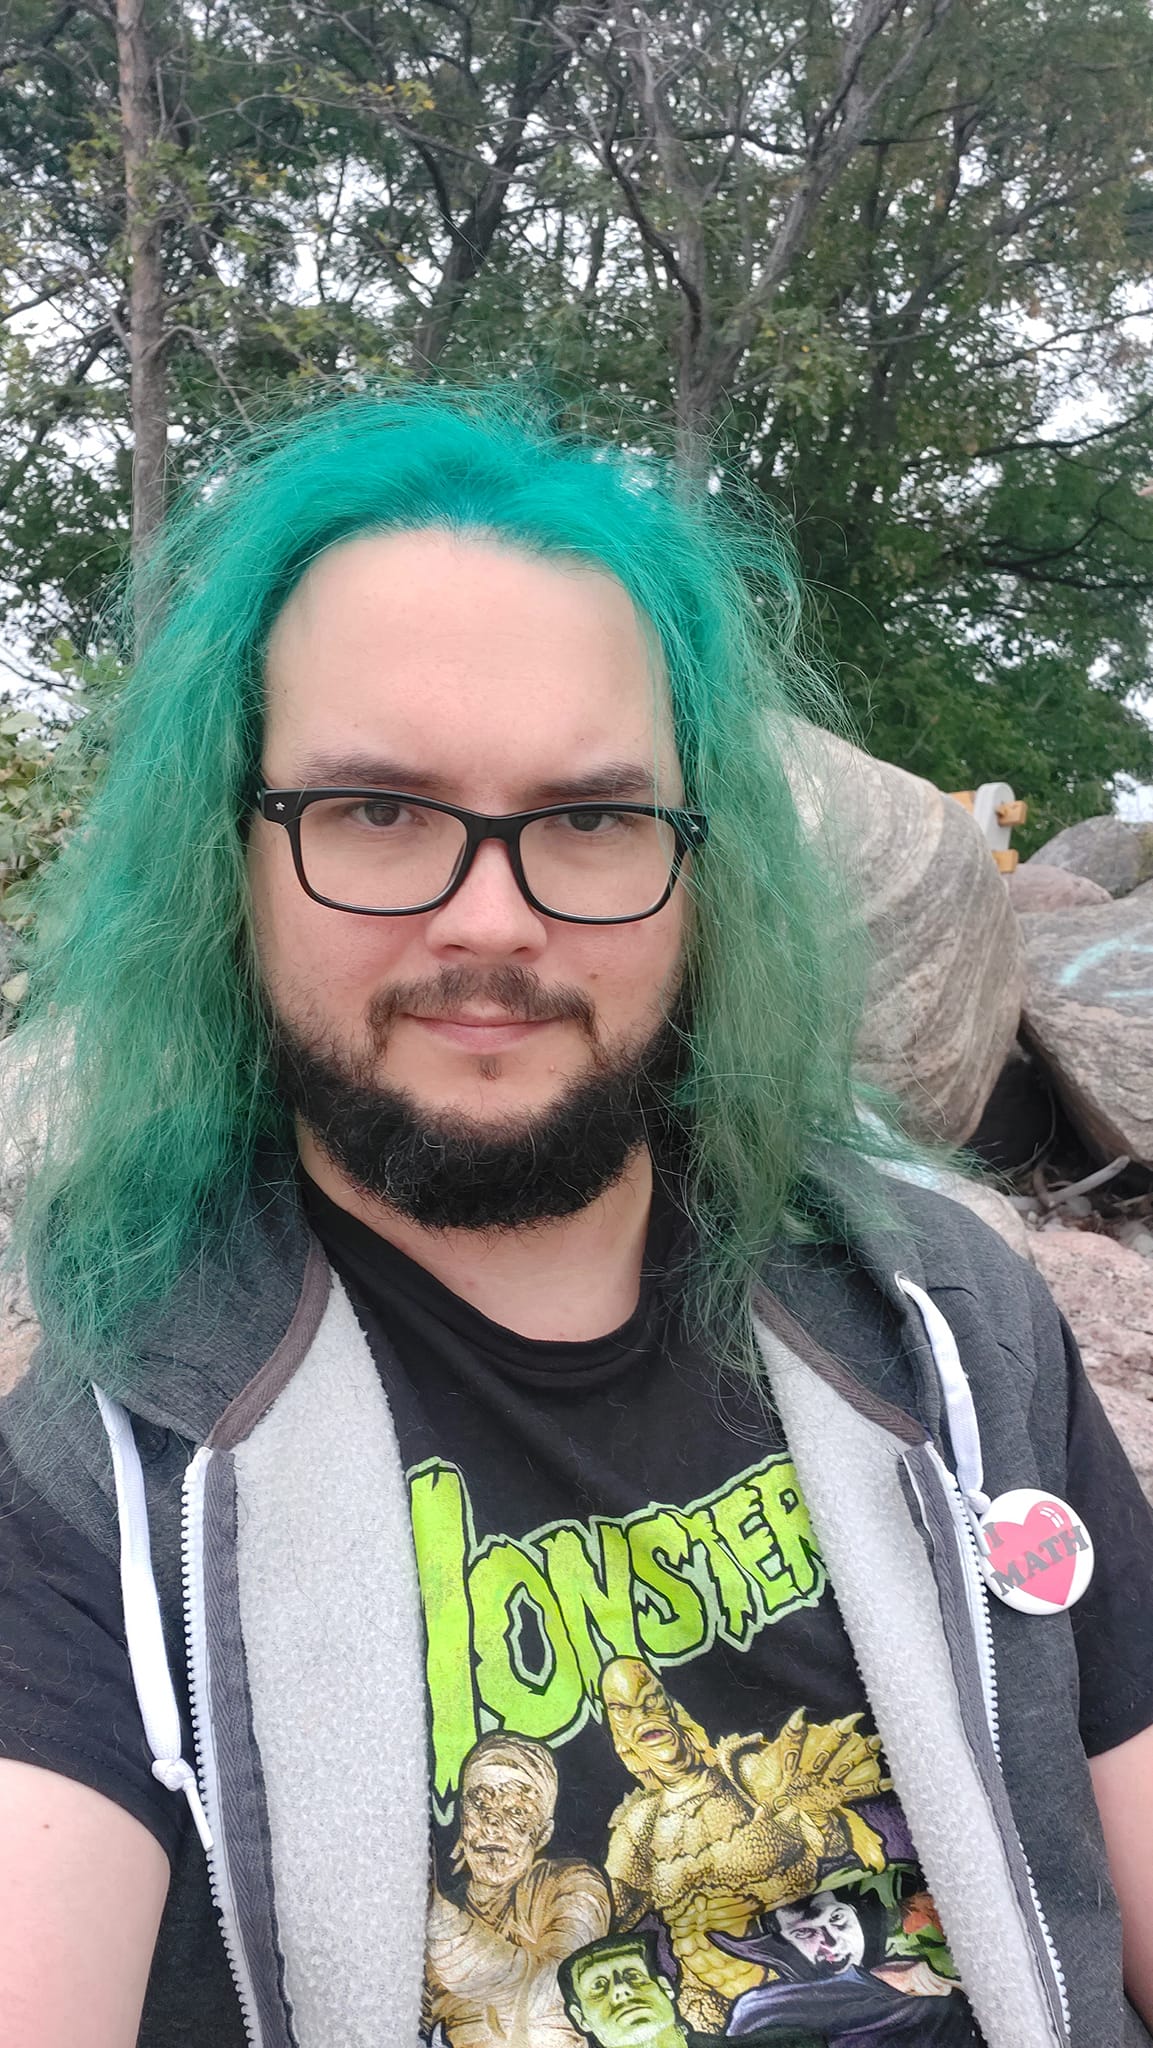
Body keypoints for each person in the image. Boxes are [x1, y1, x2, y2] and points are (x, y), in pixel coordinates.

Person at [0, 388, 1151, 2048]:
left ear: (699, 870)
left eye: (591, 819)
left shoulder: (947, 1319)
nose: (491, 917)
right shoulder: (103, 1482)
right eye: (376, 809)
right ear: (229, 861)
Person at [424, 1732, 610, 2044]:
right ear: (461, 1815)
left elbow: (554, 1988)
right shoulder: (436, 1912)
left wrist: (438, 1919)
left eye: (517, 1812)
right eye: (480, 1803)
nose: (493, 1825)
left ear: (543, 1833)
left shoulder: (572, 1885)